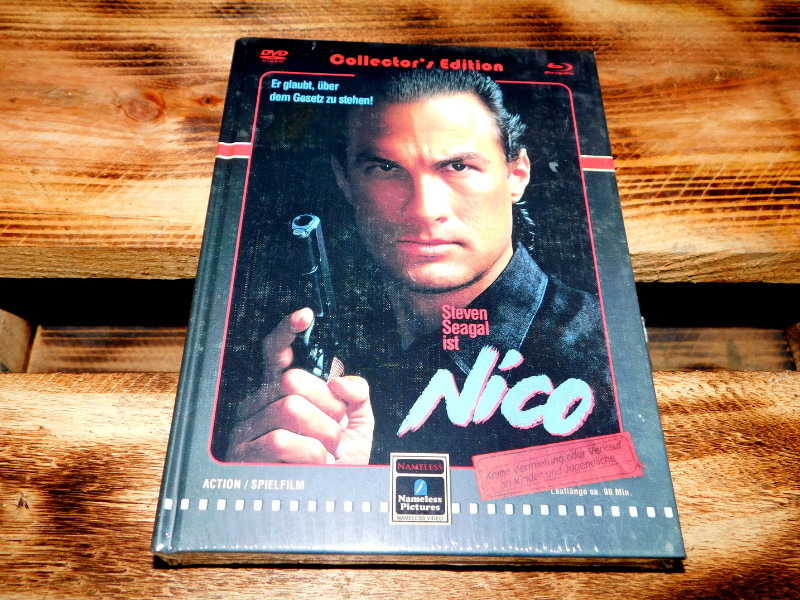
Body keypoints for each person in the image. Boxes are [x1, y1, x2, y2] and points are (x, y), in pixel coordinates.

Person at [220, 69, 617, 466]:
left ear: (517, 175)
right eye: (385, 169)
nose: (424, 210)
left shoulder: (607, 364)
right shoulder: (298, 345)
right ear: (345, 180)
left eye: (458, 167)